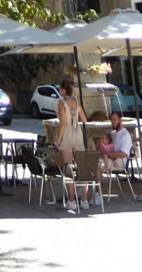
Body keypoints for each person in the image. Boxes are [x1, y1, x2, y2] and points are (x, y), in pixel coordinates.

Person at [54, 79, 92, 211]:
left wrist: (59, 140)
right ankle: (85, 200)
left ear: (64, 90)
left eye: (60, 88)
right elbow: (85, 119)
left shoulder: (62, 103)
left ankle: (71, 200)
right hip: (78, 134)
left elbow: (62, 123)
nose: (59, 91)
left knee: (68, 168)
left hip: (68, 135)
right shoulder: (76, 100)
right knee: (82, 167)